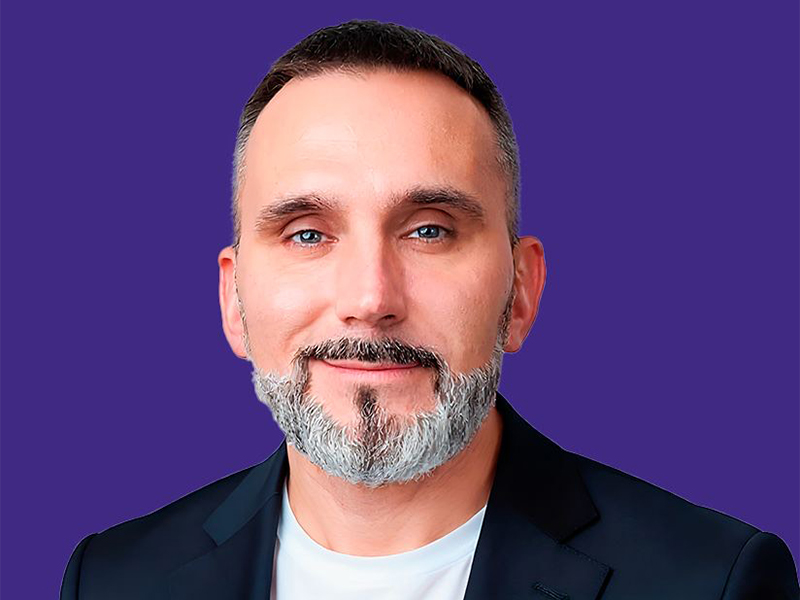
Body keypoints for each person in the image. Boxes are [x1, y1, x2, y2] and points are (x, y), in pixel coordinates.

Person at [61, 19, 798, 600]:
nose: (370, 299)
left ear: (521, 291)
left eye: (429, 231)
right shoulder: (113, 580)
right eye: (307, 233)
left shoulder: (711, 582)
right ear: (233, 300)